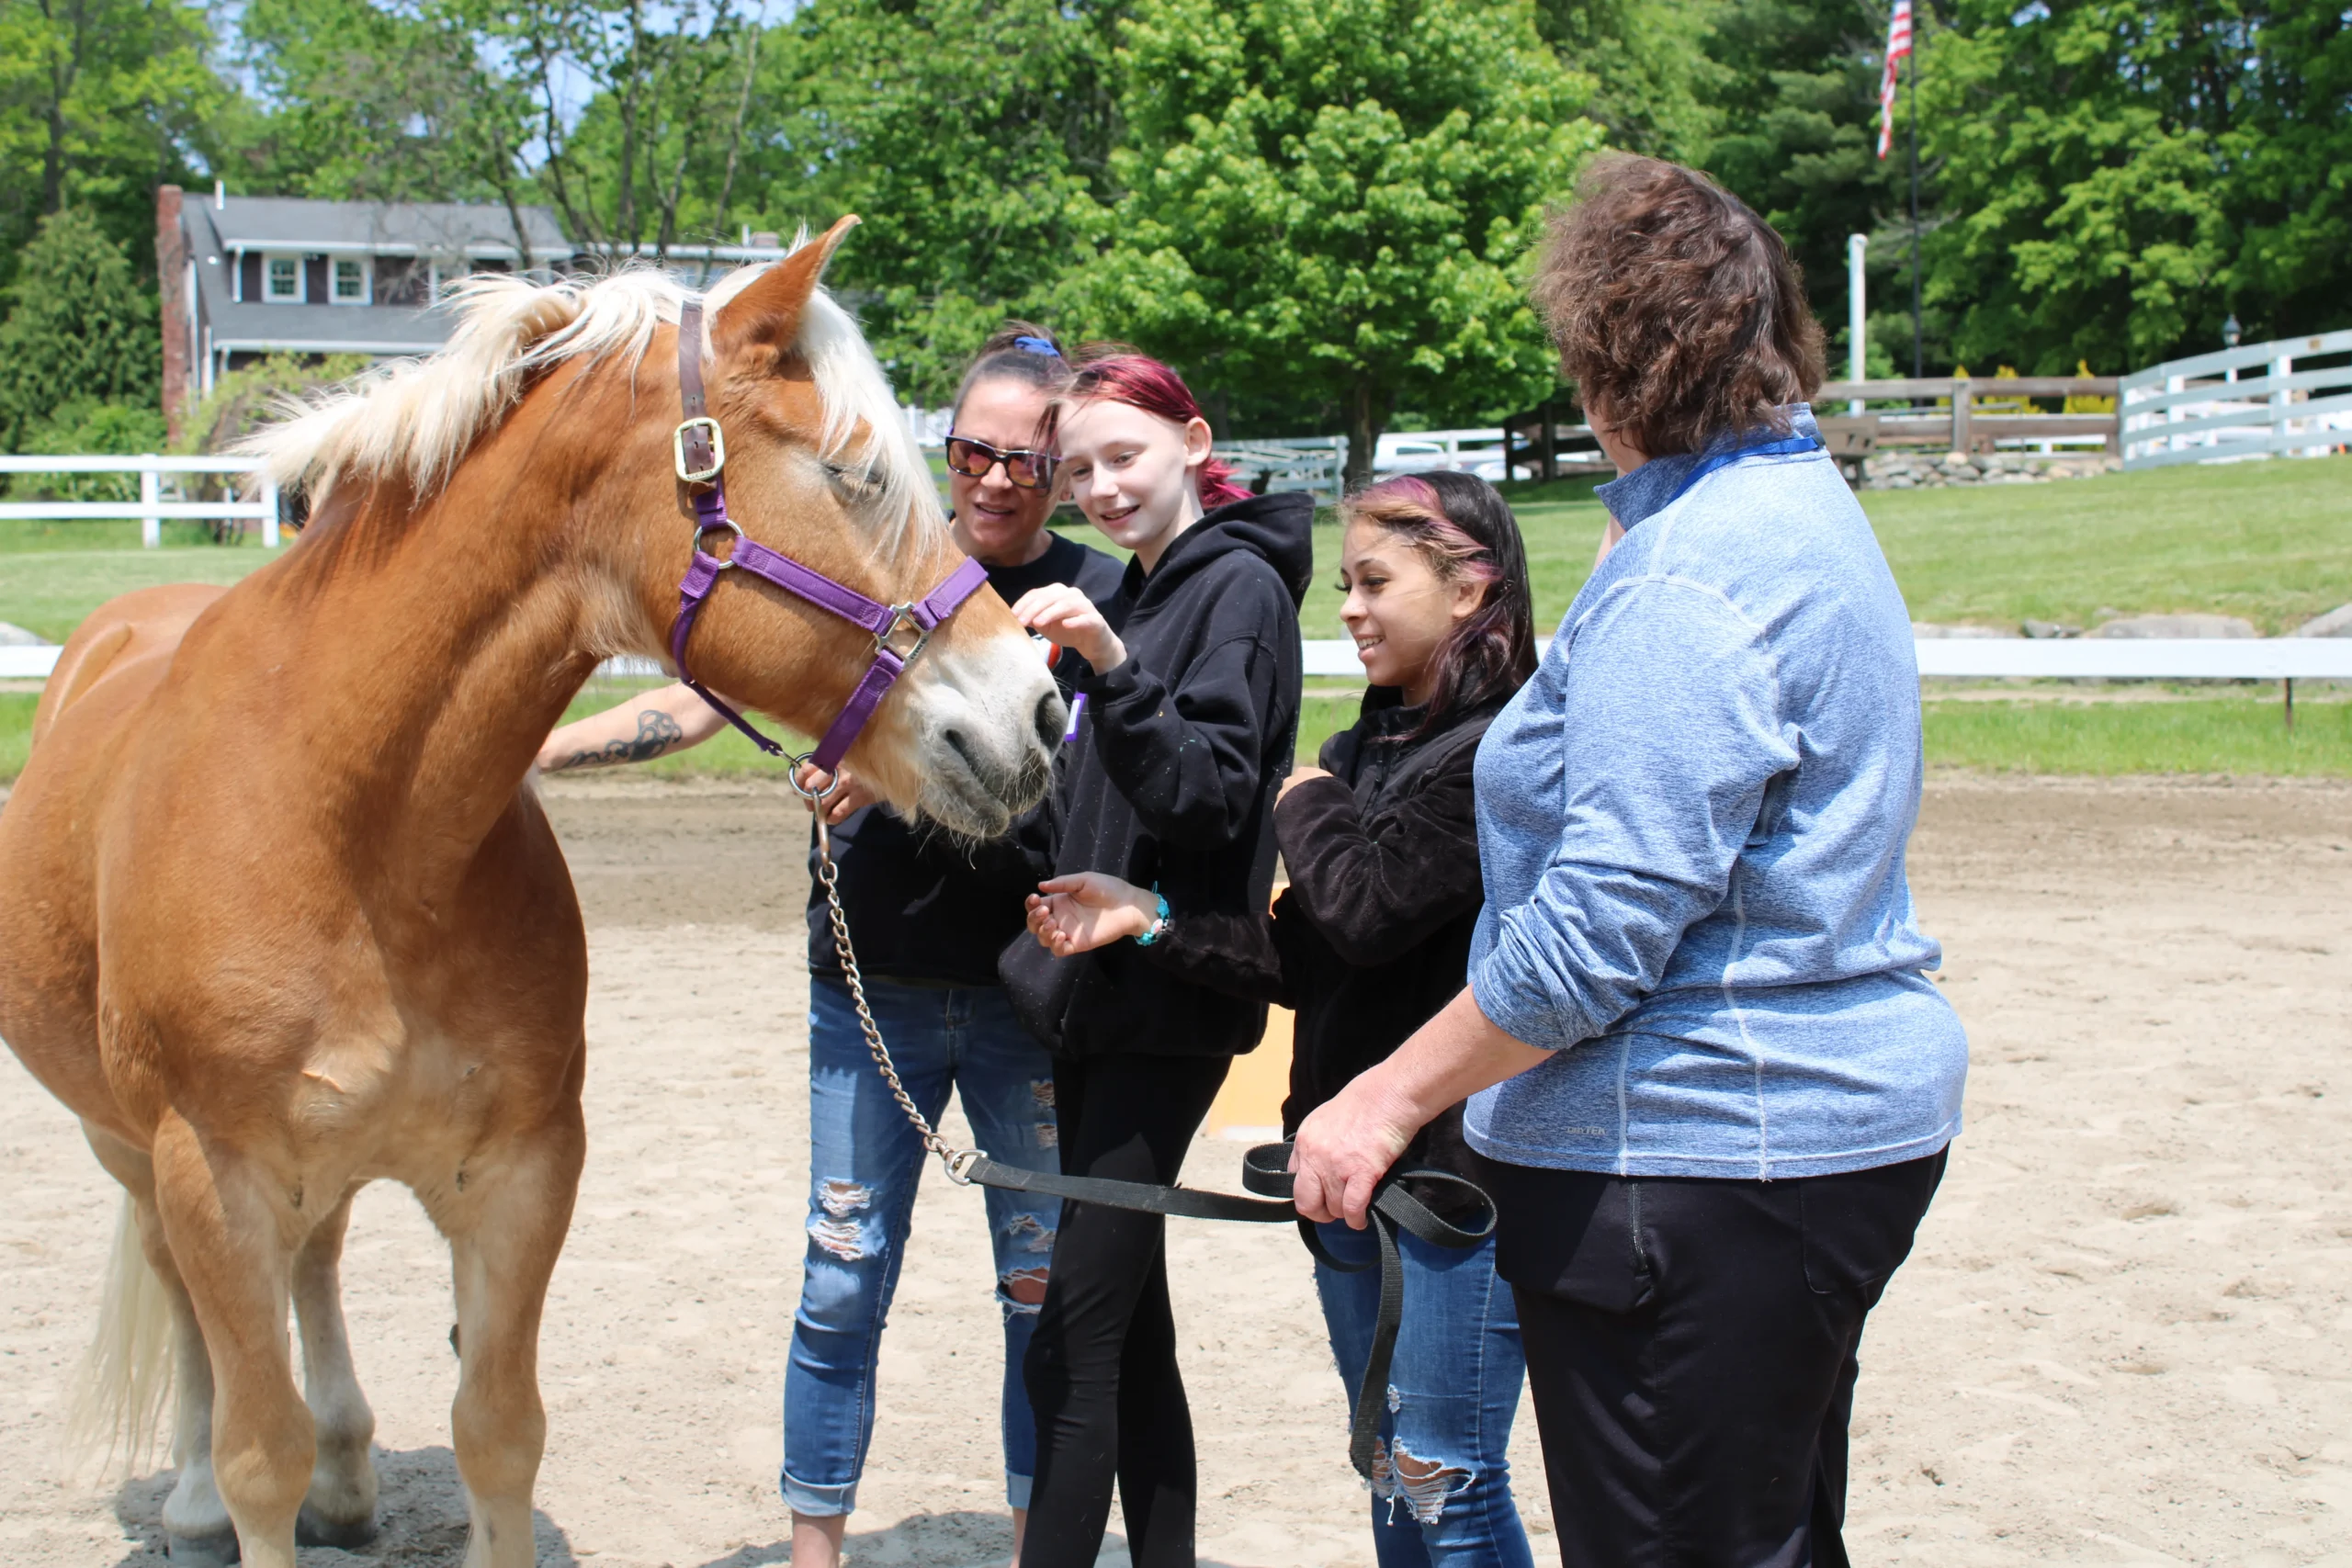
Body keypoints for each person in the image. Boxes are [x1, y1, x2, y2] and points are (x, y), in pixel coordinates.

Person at [1288, 153, 1970, 1568]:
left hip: (1699, 1162)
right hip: (1801, 1144)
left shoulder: (1689, 582)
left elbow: (1598, 933)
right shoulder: (1786, 514)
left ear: (1612, 365)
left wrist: (1380, 1098)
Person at [537, 323, 1124, 1568]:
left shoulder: (1096, 599)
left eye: (1031, 457)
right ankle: (817, 1550)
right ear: (944, 451)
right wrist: (534, 754)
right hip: (874, 995)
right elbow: (697, 698)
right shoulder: (880, 572)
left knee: (1038, 1296)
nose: (1000, 477)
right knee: (842, 1282)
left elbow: (1128, 786)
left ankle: (1039, 1543)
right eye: (976, 449)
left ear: (1063, 468)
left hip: (1032, 995)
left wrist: (889, 765)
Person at [1022, 471, 1542, 1568]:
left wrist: (1297, 796)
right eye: (1345, 582)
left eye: (1375, 582)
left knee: (1442, 1473)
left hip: (1457, 1179)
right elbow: (1303, 958)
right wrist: (1150, 916)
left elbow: (1362, 908)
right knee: (1394, 1469)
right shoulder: (1365, 752)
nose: (1348, 608)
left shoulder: (1506, 752)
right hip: (1347, 1174)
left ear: (1468, 590)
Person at [996, 354, 1314, 1568]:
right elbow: (1081, 805)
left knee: (1071, 1336)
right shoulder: (1142, 593)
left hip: (1169, 994)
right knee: (1125, 1333)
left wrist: (1113, 669)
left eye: (1122, 456)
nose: (1100, 488)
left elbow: (1209, 793)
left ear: (1193, 438)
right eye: (1076, 470)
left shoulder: (1234, 592)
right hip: (1100, 996)